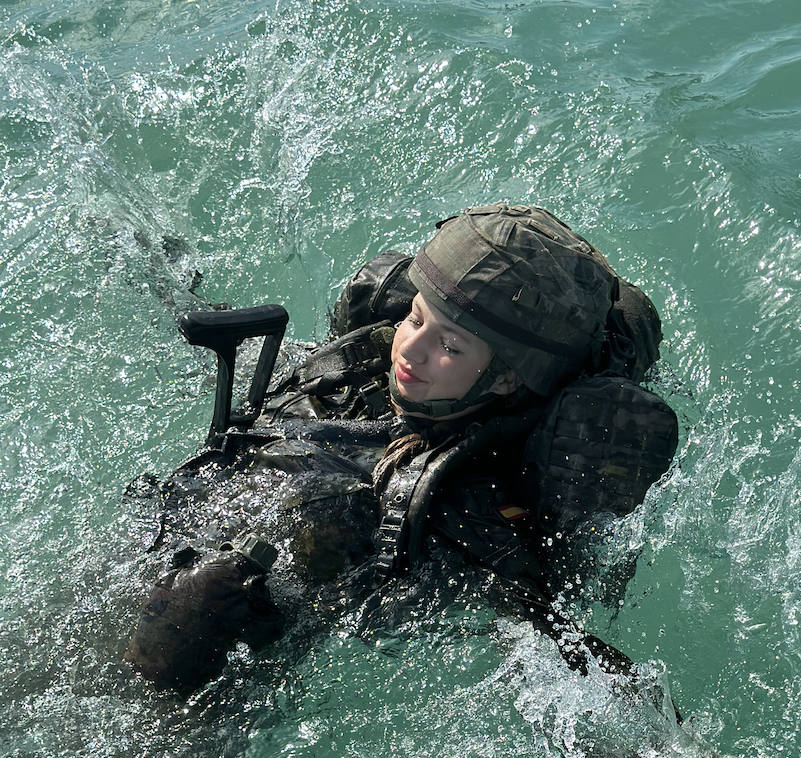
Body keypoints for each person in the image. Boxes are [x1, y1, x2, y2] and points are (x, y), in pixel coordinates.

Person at [124, 203, 679, 691]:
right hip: (165, 542)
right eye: (416, 317)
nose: (411, 348)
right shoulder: (358, 372)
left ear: (507, 379)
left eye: (450, 346)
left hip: (220, 660)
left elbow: (558, 653)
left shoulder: (475, 509)